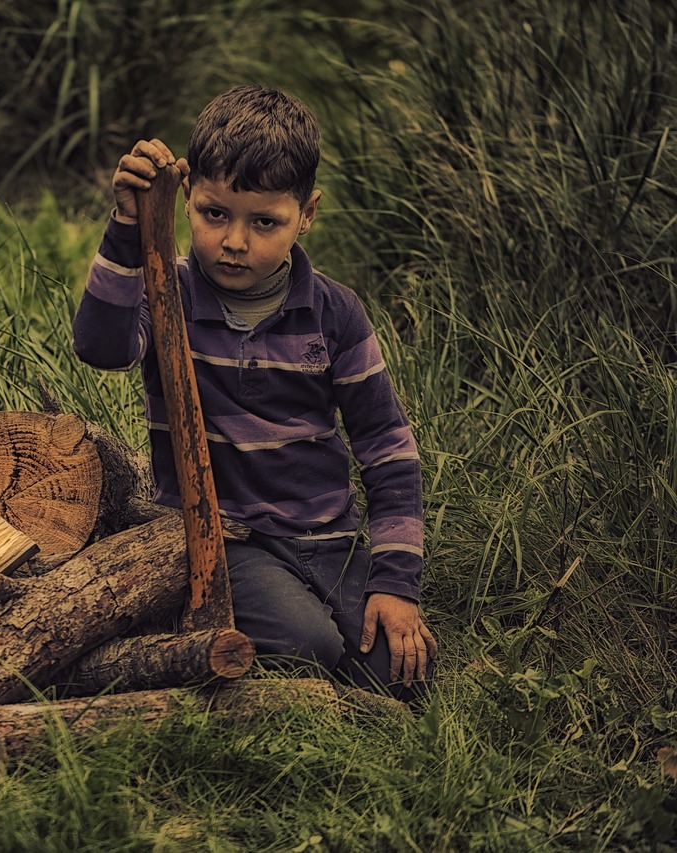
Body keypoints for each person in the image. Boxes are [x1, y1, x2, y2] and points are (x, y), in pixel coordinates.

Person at [72, 84, 436, 700]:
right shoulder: (171, 293)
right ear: (188, 198)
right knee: (308, 647)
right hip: (224, 541)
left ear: (308, 213)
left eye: (265, 222)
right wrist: (129, 228)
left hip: (329, 539)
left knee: (401, 675)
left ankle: (336, 653)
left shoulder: (333, 313)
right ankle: (198, 626)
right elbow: (101, 348)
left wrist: (396, 583)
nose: (235, 241)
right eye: (216, 214)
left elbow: (386, 447)